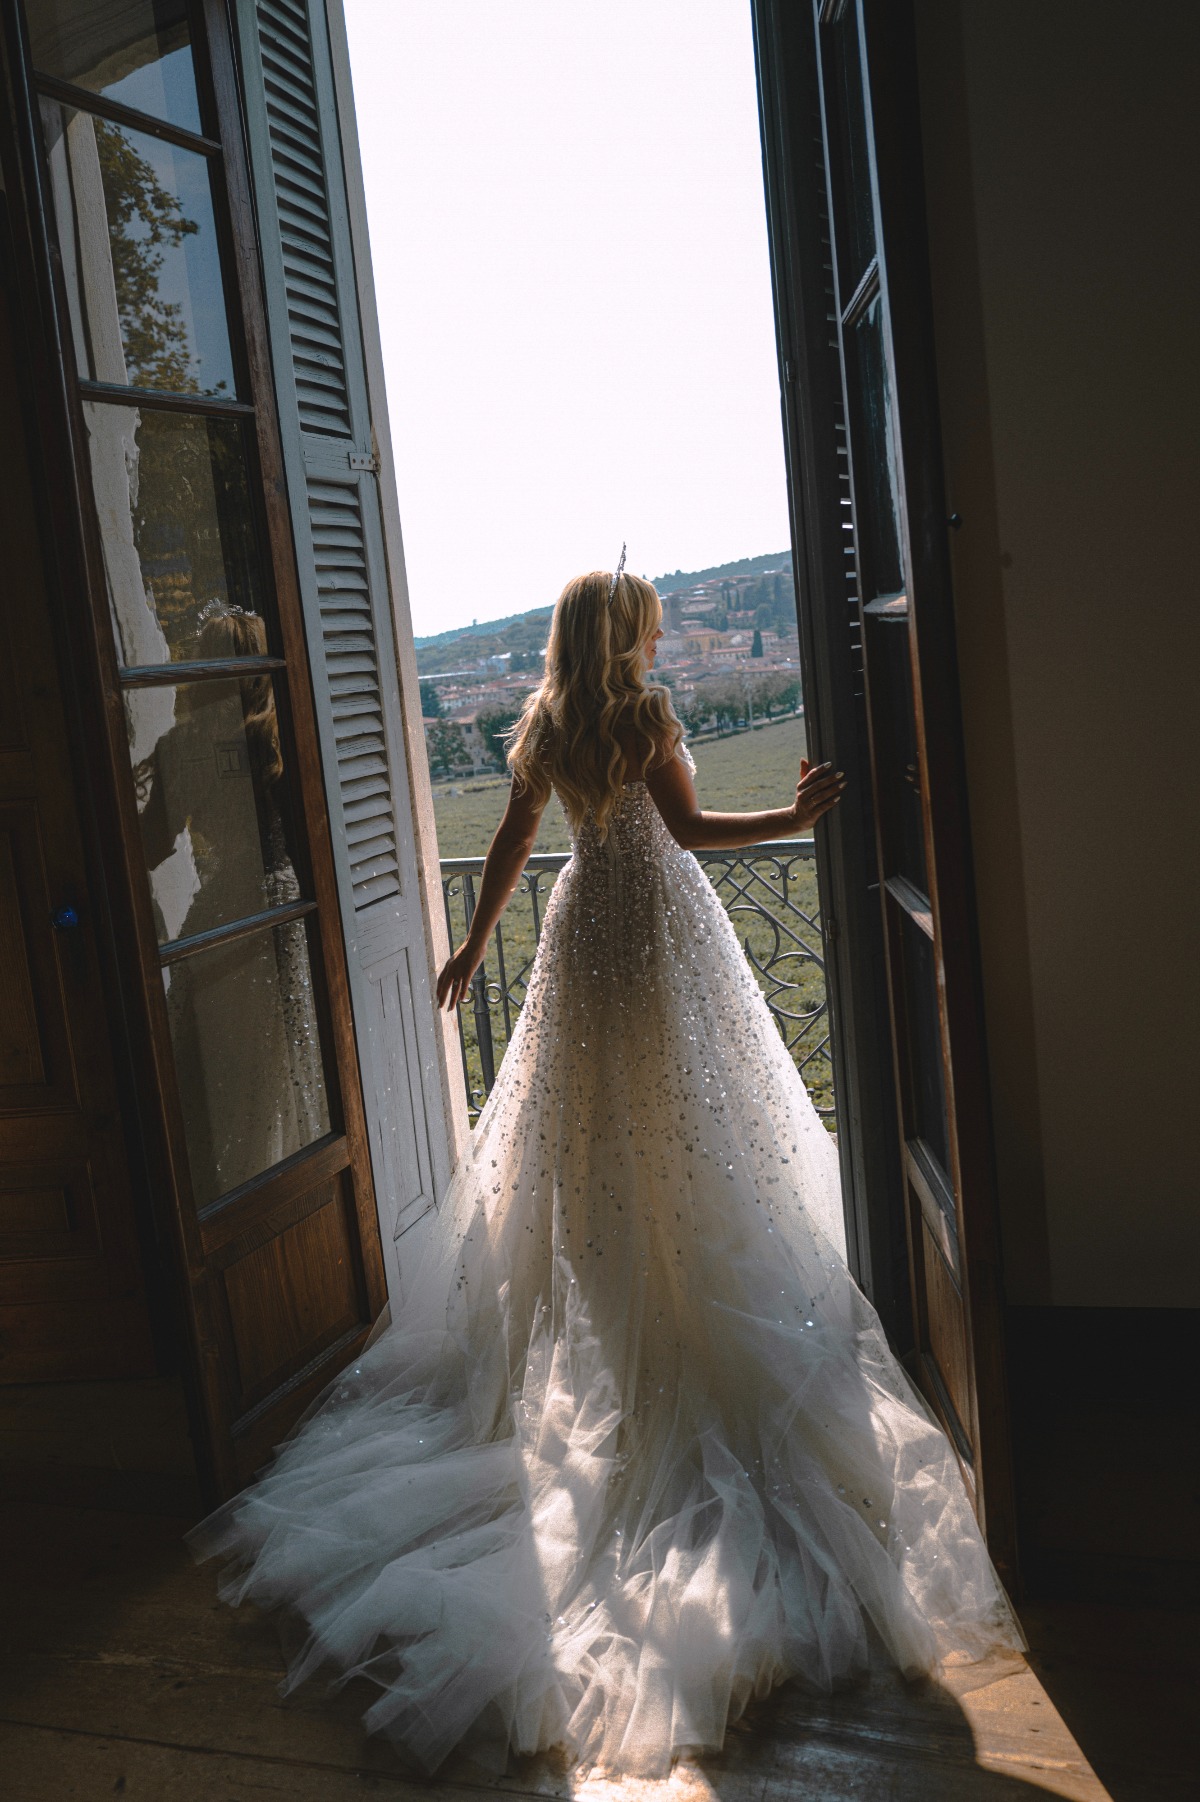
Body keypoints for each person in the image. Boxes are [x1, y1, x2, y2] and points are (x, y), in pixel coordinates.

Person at [188, 566, 1026, 1777]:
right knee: (692, 1137)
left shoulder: (544, 722)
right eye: (649, 615)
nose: (662, 628)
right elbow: (690, 831)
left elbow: (513, 845)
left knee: (593, 1154)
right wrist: (797, 819)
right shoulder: (646, 711)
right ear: (624, 632)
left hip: (583, 935)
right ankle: (671, 1332)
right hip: (660, 929)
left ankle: (608, 1329)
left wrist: (475, 942)